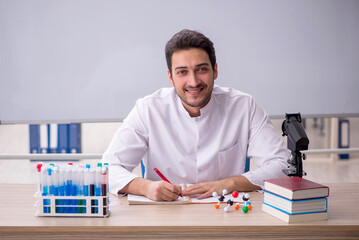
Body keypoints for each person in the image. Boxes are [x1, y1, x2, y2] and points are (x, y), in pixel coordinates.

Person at [102, 29, 289, 201]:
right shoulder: (148, 109)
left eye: (201, 69)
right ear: (170, 77)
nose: (193, 81)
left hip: (228, 215)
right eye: (182, 72)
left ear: (215, 70)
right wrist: (145, 187)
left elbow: (283, 165)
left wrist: (229, 183)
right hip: (165, 216)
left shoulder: (244, 106)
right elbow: (108, 168)